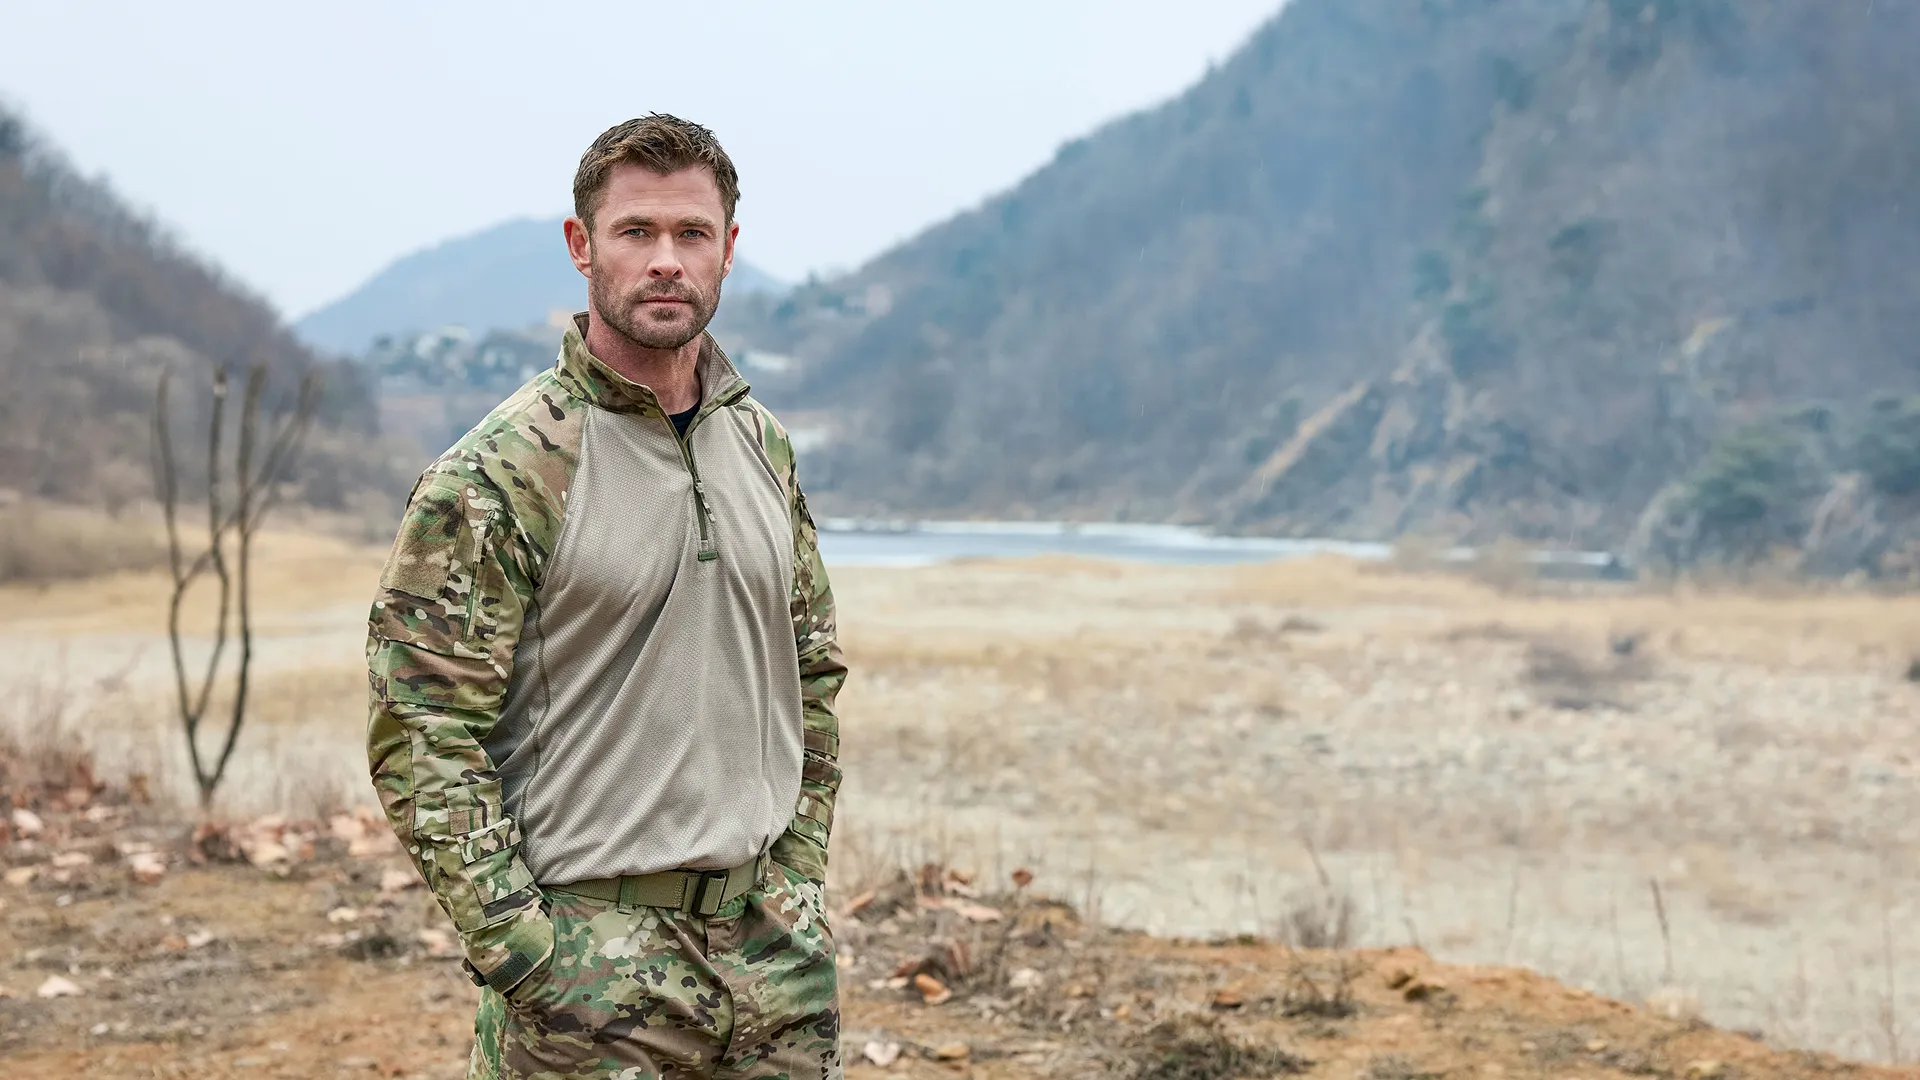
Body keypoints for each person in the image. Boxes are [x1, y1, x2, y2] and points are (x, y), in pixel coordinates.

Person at [365, 114, 846, 1080]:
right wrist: (528, 955)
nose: (666, 260)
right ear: (582, 246)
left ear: (728, 249)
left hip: (775, 963)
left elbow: (813, 672)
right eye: (637, 232)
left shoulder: (761, 444)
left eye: (691, 232)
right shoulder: (501, 471)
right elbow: (423, 727)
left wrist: (797, 875)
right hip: (588, 978)